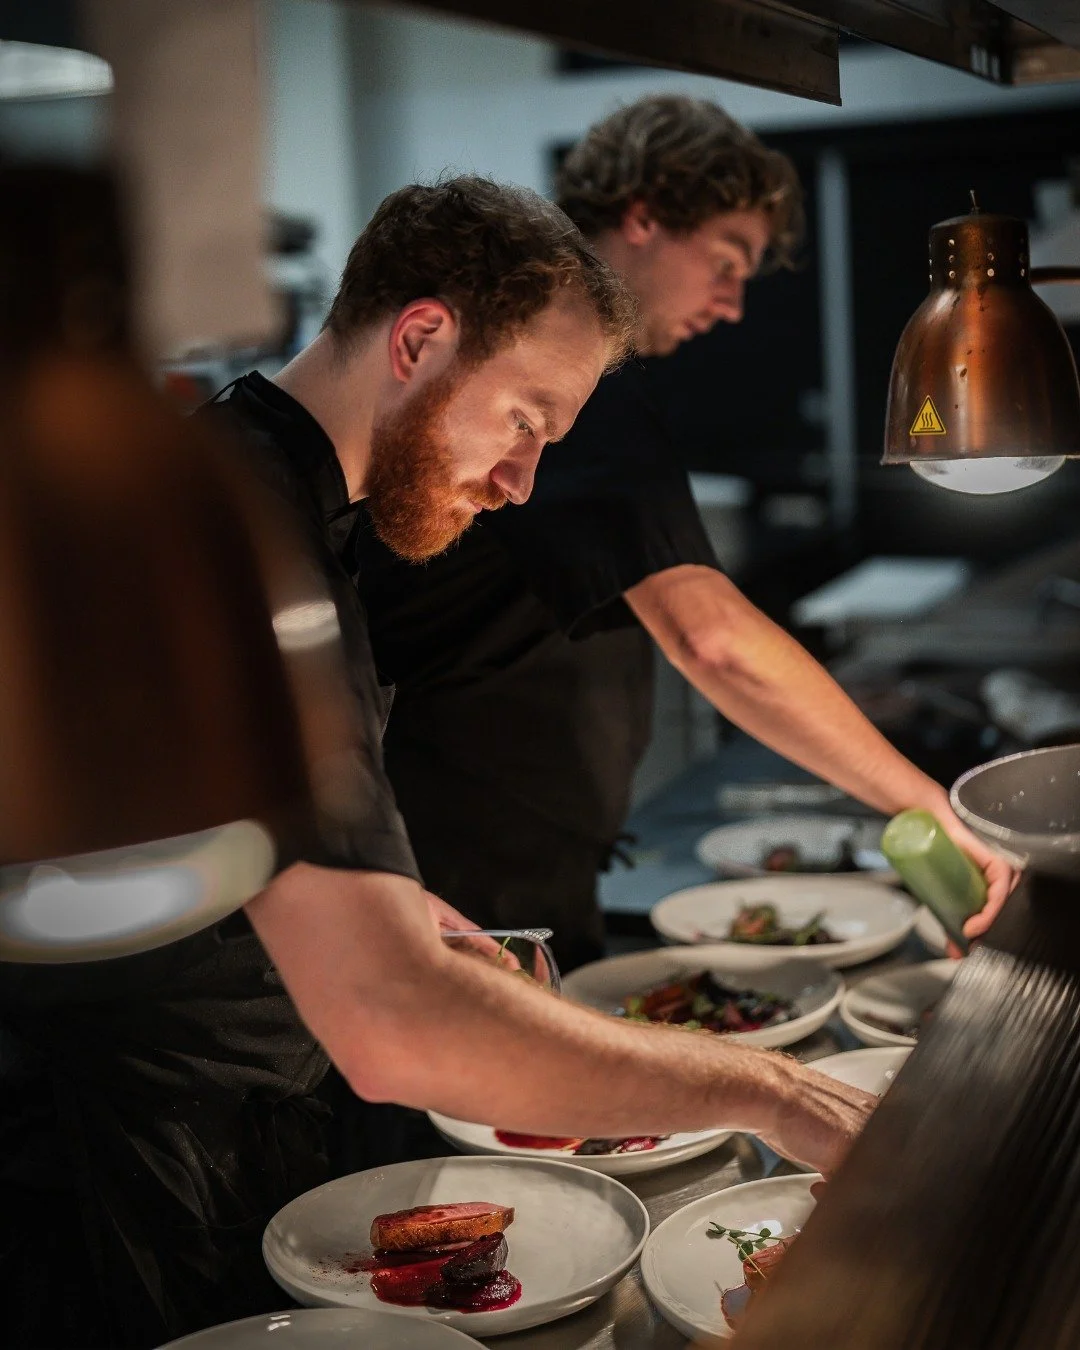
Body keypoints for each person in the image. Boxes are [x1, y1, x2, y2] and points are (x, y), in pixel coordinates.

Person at [0, 175, 875, 1350]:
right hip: (121, 1171)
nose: (522, 483)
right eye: (524, 420)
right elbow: (389, 1023)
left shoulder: (265, 492)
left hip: (212, 1119)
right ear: (418, 339)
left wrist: (398, 908)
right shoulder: (248, 541)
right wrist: (771, 1090)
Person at [357, 97, 1015, 974]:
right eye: (726, 260)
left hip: (502, 848)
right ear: (646, 215)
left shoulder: (586, 389)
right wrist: (925, 803)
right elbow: (714, 640)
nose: (732, 304)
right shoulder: (580, 388)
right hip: (459, 866)